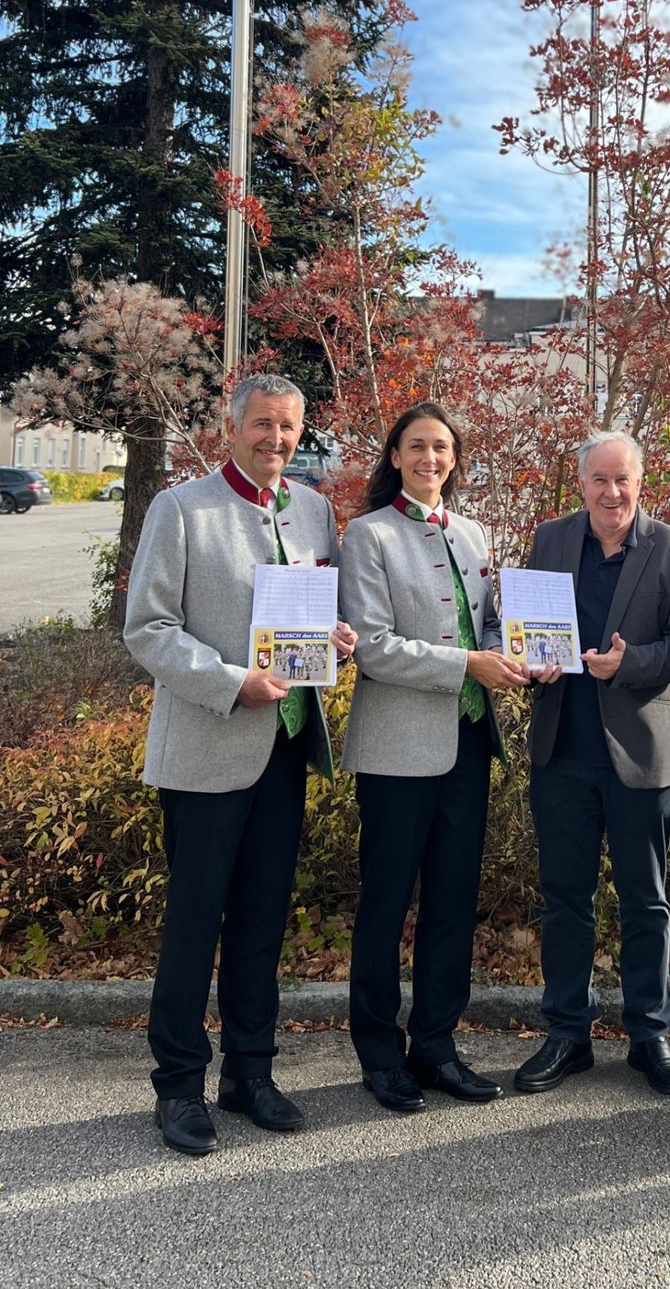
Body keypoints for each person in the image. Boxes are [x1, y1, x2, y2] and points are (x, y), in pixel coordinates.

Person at [124, 373, 357, 1157]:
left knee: (262, 921)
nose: (276, 439)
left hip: (285, 750)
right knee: (194, 925)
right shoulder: (182, 509)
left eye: (288, 427)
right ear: (231, 429)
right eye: (262, 425)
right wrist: (233, 683)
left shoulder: (314, 508)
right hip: (206, 748)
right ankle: (180, 1085)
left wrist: (336, 638)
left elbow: (310, 613)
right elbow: (148, 629)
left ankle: (250, 1073)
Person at [339, 403, 530, 1113]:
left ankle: (437, 1044)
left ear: (456, 457)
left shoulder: (475, 532)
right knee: (387, 906)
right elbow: (372, 645)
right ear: (394, 455)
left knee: (453, 904)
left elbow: (483, 628)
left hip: (468, 744)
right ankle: (379, 1054)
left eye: (442, 447)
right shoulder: (369, 534)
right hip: (396, 749)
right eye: (416, 446)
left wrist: (521, 650)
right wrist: (469, 665)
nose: (430, 458)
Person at [513, 432, 670, 1098]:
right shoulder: (551, 541)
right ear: (582, 481)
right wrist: (531, 664)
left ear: (641, 480)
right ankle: (567, 1032)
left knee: (645, 901)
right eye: (599, 479)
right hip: (562, 748)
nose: (612, 492)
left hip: (642, 756)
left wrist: (632, 664)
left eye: (623, 479)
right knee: (565, 899)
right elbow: (529, 628)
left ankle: (650, 1033)